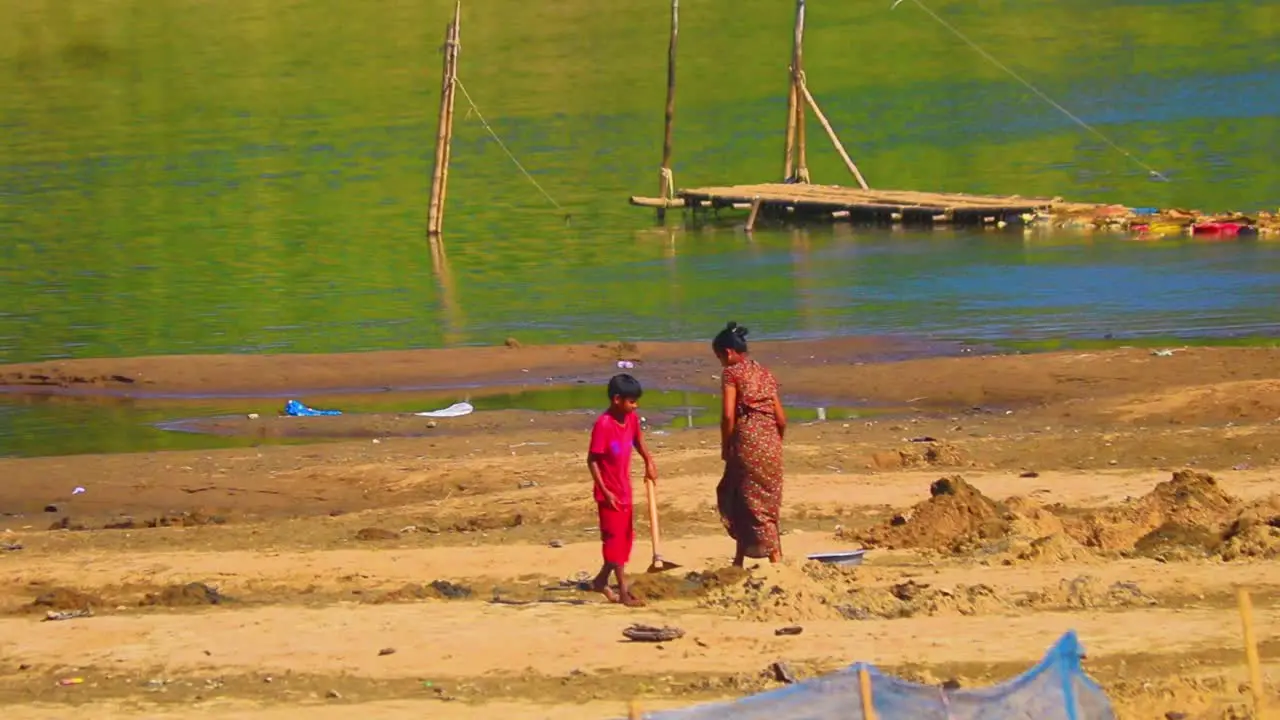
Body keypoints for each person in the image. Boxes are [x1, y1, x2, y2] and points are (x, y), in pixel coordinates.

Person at [712, 321, 787, 566]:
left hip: (747, 440)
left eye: (720, 357)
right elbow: (781, 418)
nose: (721, 362)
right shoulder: (763, 372)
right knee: (759, 498)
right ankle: (739, 558)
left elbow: (727, 415)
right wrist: (774, 441)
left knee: (749, 501)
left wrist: (726, 444)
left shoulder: (731, 373)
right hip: (771, 441)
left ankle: (775, 558)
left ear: (729, 352)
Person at [587, 373, 657, 606]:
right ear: (617, 399)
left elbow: (638, 441)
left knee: (625, 540)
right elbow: (592, 460)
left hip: (624, 488)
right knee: (614, 542)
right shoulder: (603, 425)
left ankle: (600, 582)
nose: (635, 406)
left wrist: (649, 461)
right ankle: (624, 592)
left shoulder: (632, 419)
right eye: (631, 401)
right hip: (609, 494)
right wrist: (605, 491)